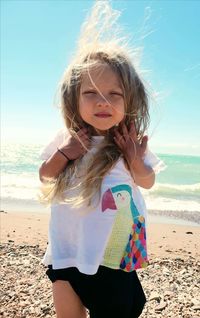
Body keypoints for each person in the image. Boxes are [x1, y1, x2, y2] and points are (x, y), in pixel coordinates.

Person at [39, 2, 165, 318]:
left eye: (114, 94)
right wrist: (66, 152)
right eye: (90, 92)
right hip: (67, 251)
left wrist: (136, 162)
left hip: (112, 257)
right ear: (74, 98)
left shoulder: (128, 145)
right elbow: (45, 174)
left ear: (129, 101)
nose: (103, 101)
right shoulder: (67, 140)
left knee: (119, 308)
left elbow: (148, 182)